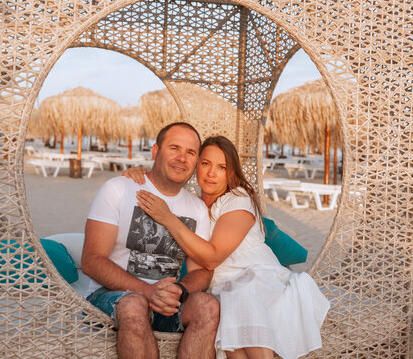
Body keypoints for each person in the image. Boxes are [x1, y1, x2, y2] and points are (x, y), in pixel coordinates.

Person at [123, 136, 330, 359]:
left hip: (256, 279)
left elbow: (212, 258)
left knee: (242, 298)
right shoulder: (195, 207)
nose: (212, 173)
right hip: (222, 288)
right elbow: (195, 262)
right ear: (195, 166)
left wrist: (168, 218)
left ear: (230, 173)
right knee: (232, 332)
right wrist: (138, 174)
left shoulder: (238, 199)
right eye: (206, 164)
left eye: (221, 167)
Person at [81, 122, 220, 359]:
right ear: (155, 151)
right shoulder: (118, 189)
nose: (182, 158)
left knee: (208, 306)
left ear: (196, 161)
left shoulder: (197, 208)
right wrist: (146, 290)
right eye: (174, 148)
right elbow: (92, 260)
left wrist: (179, 290)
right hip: (113, 296)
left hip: (167, 302)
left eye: (190, 152)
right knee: (135, 304)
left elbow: (203, 271)